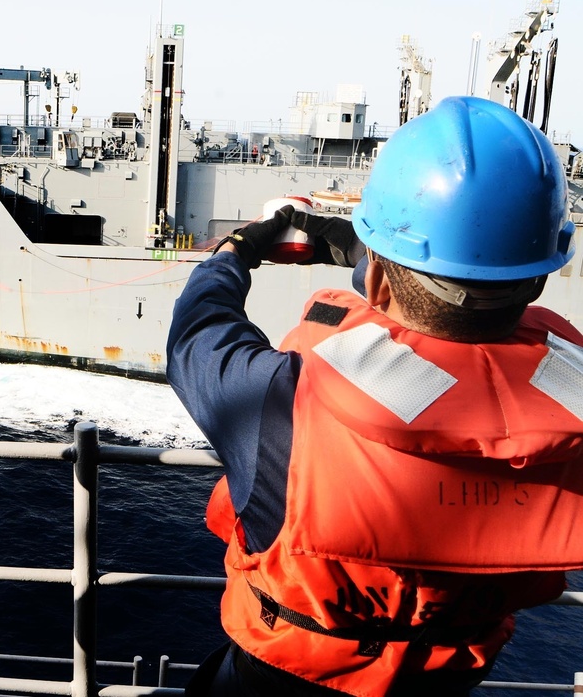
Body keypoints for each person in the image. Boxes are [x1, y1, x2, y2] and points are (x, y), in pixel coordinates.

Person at [167, 95, 583, 696]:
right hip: (440, 682)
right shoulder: (571, 397)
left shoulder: (284, 403)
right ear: (542, 273)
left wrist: (237, 250)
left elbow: (198, 332)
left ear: (379, 276)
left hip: (278, 678)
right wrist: (349, 241)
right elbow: (448, 282)